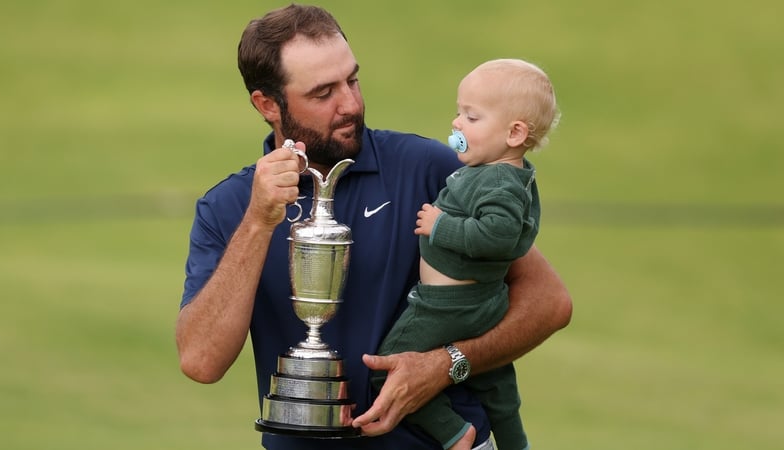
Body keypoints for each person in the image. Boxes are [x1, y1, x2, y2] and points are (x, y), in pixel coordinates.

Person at [175, 5, 572, 450]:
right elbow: (201, 360)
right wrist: (257, 222)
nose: (350, 104)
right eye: (324, 92)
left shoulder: (430, 169)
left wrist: (448, 363)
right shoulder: (229, 208)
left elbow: (549, 302)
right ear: (268, 104)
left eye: (352, 80)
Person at [371, 59, 560, 450]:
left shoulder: (501, 182)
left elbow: (498, 236)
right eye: (459, 113)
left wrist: (441, 226)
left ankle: (454, 433)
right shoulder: (490, 170)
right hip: (481, 302)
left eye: (471, 117)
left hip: (448, 306)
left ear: (515, 132)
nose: (457, 124)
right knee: (497, 385)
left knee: (389, 368)